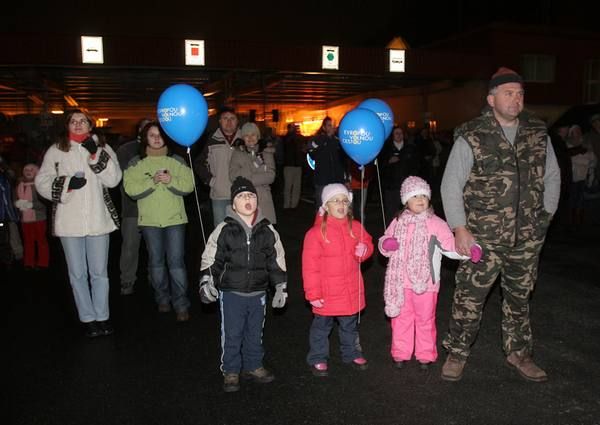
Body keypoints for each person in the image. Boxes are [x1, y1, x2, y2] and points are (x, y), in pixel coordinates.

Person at [440, 67, 561, 382]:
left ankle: (519, 354)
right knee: (469, 296)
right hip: (483, 237)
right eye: (508, 93)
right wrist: (460, 227)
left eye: (520, 93)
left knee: (520, 298)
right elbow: (451, 184)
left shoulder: (536, 131)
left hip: (527, 236)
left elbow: (552, 176)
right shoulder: (473, 133)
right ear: (491, 98)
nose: (516, 98)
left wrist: (545, 217)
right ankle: (457, 352)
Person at [35, 110, 122, 338]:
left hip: (97, 220)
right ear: (67, 125)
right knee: (77, 274)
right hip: (69, 222)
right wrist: (67, 184)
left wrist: (96, 156)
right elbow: (42, 181)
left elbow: (114, 179)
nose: (77, 124)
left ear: (90, 125)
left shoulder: (101, 147)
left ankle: (103, 316)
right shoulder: (57, 150)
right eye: (73, 121)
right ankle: (88, 318)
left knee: (99, 273)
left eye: (82, 121)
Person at [198, 176, 287, 392]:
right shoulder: (224, 230)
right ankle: (230, 369)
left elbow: (277, 260)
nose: (247, 199)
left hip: (258, 293)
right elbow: (211, 257)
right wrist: (207, 280)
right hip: (232, 294)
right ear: (233, 203)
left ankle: (254, 365)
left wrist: (280, 286)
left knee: (255, 332)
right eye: (241, 196)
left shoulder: (268, 231)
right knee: (232, 333)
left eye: (251, 195)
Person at [378, 176, 472, 370]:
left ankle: (425, 354)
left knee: (425, 319)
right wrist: (386, 244)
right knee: (401, 318)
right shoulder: (398, 221)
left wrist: (468, 251)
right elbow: (386, 240)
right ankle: (400, 352)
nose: (420, 199)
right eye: (414, 196)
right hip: (401, 282)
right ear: (405, 201)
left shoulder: (436, 223)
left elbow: (449, 245)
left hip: (426, 283)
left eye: (423, 195)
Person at [123, 122, 194, 322]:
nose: (156, 138)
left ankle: (181, 304)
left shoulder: (177, 160)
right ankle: (162, 298)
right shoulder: (137, 162)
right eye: (152, 135)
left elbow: (189, 184)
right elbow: (130, 188)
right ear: (145, 138)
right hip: (150, 221)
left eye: (160, 135)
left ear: (167, 138)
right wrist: (152, 181)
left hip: (175, 220)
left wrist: (170, 181)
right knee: (156, 262)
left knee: (176, 262)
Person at [301, 183, 374, 377]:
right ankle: (317, 357)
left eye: (344, 201)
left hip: (349, 290)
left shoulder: (355, 227)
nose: (341, 205)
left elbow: (367, 242)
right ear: (325, 206)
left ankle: (351, 353)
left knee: (349, 325)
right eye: (335, 201)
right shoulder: (315, 234)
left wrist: (364, 250)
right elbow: (310, 267)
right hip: (326, 293)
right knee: (321, 328)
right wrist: (313, 293)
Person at [116, 118, 152, 295]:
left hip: (155, 209)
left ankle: (156, 280)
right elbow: (124, 178)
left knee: (155, 249)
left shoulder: (161, 149)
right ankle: (127, 281)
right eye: (145, 127)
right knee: (130, 247)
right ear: (139, 130)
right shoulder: (125, 150)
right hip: (132, 209)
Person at [194, 107, 241, 227]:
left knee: (242, 230)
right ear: (219, 121)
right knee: (221, 231)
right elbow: (199, 163)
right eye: (225, 118)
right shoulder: (211, 140)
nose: (229, 121)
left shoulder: (245, 139)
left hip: (242, 194)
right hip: (219, 195)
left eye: (232, 118)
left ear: (237, 121)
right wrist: (211, 181)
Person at [229, 122, 277, 224]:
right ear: (243, 138)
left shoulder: (266, 152)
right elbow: (233, 176)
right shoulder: (237, 153)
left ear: (258, 136)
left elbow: (270, 176)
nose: (250, 138)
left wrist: (247, 179)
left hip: (263, 200)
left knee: (265, 234)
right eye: (246, 135)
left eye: (253, 134)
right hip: (244, 201)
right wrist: (255, 164)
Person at [378, 126, 422, 226]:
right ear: (392, 135)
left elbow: (416, 165)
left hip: (406, 185)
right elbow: (379, 166)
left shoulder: (410, 148)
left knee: (406, 209)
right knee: (391, 210)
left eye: (400, 133)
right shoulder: (386, 149)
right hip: (391, 186)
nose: (399, 135)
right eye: (396, 133)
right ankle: (391, 230)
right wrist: (388, 162)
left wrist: (411, 179)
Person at [307, 117, 347, 208]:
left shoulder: (338, 141)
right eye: (329, 125)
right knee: (322, 207)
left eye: (333, 126)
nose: (332, 128)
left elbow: (343, 160)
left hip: (336, 180)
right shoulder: (317, 139)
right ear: (324, 128)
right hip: (322, 181)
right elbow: (311, 154)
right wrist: (323, 140)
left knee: (335, 206)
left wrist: (345, 178)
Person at [15, 163, 49, 270]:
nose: (28, 171)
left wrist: (32, 205)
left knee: (41, 240)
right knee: (28, 241)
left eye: (31, 169)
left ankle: (43, 262)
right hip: (25, 219)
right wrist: (16, 203)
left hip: (39, 218)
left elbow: (46, 203)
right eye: (26, 169)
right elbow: (14, 198)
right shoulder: (19, 185)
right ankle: (29, 262)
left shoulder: (40, 185)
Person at [566, 124, 596, 226]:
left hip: (584, 177)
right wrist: (583, 159)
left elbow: (592, 158)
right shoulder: (567, 145)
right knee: (572, 200)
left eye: (579, 131)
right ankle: (570, 223)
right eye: (575, 131)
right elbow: (572, 160)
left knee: (581, 201)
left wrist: (589, 170)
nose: (578, 133)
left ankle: (579, 223)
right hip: (573, 178)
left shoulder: (586, 144)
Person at [282, 123, 305, 209]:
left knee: (296, 187)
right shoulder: (287, 138)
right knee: (288, 186)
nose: (294, 129)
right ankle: (287, 204)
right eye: (292, 128)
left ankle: (293, 205)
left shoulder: (297, 138)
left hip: (296, 165)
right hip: (289, 165)